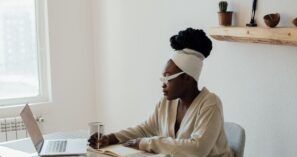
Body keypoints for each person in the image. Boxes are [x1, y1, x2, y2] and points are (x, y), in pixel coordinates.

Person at [88, 28, 233, 157]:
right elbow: (145, 129)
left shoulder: (210, 104)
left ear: (187, 78)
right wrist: (112, 138)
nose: (163, 83)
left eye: (167, 77)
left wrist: (147, 143)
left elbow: (197, 150)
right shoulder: (166, 103)